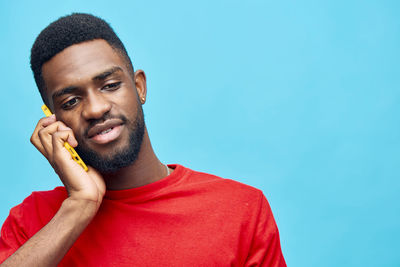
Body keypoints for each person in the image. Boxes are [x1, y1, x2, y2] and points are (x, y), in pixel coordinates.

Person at [0, 13, 286, 266]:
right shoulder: (31, 222)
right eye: (72, 101)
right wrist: (79, 206)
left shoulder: (241, 210)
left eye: (110, 86)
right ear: (52, 120)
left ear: (139, 87)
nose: (96, 108)